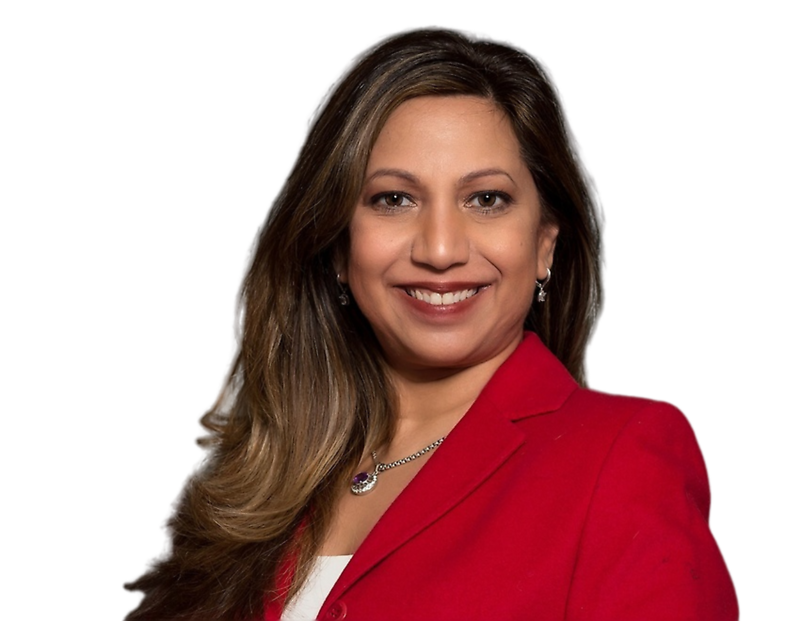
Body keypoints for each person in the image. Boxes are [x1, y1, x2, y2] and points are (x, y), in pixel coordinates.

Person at [121, 26, 741, 620]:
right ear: (339, 245)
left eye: (486, 199)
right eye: (394, 199)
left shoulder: (623, 455)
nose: (440, 249)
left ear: (545, 243)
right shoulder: (255, 483)